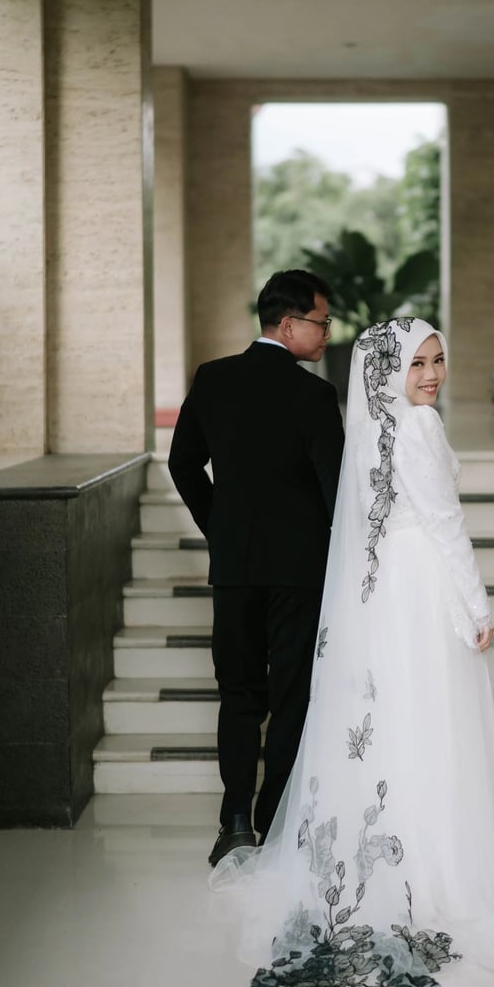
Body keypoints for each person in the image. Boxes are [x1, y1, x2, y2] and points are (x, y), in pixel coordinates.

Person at [209, 317, 494, 987]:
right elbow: (446, 525)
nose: (431, 375)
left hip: (384, 596)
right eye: (417, 364)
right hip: (425, 591)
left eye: (438, 360)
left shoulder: (372, 428)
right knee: (432, 726)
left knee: (395, 728)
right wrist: (477, 606)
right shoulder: (420, 427)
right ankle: (439, 879)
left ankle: (398, 865)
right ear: (390, 371)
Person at [168, 270, 345, 867]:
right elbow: (336, 492)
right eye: (321, 322)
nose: (327, 333)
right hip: (301, 570)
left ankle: (235, 822)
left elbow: (183, 463)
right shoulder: (315, 396)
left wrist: (219, 527)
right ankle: (274, 821)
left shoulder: (213, 379)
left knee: (240, 694)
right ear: (289, 325)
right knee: (292, 696)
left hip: (236, 566)